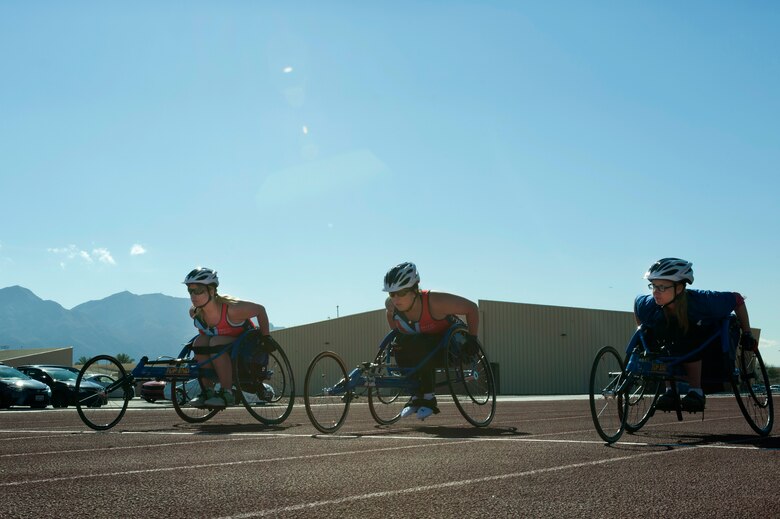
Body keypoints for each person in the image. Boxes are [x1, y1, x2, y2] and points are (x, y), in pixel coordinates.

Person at [634, 258, 758, 413]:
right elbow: (637, 305)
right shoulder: (648, 304)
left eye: (662, 287)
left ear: (679, 288)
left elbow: (738, 299)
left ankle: (696, 391)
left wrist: (747, 333)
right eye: (653, 286)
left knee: (686, 335)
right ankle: (671, 391)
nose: (655, 292)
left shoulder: (703, 301)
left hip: (705, 343)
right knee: (655, 335)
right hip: (670, 343)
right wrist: (642, 329)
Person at [383, 261, 480, 420]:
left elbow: (472, 308)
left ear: (414, 290)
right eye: (392, 294)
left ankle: (428, 398)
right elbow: (390, 315)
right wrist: (399, 333)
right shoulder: (392, 306)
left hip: (450, 346)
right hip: (423, 344)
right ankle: (416, 396)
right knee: (399, 346)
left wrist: (473, 338)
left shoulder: (435, 301)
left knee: (421, 344)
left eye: (401, 293)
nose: (395, 299)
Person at [183, 267, 272, 408]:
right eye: (190, 291)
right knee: (199, 342)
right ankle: (207, 391)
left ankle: (227, 392)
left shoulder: (232, 309)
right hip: (221, 346)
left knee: (215, 342)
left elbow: (260, 310)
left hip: (245, 346)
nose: (193, 295)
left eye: (198, 290)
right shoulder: (195, 313)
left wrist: (266, 337)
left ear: (211, 291)